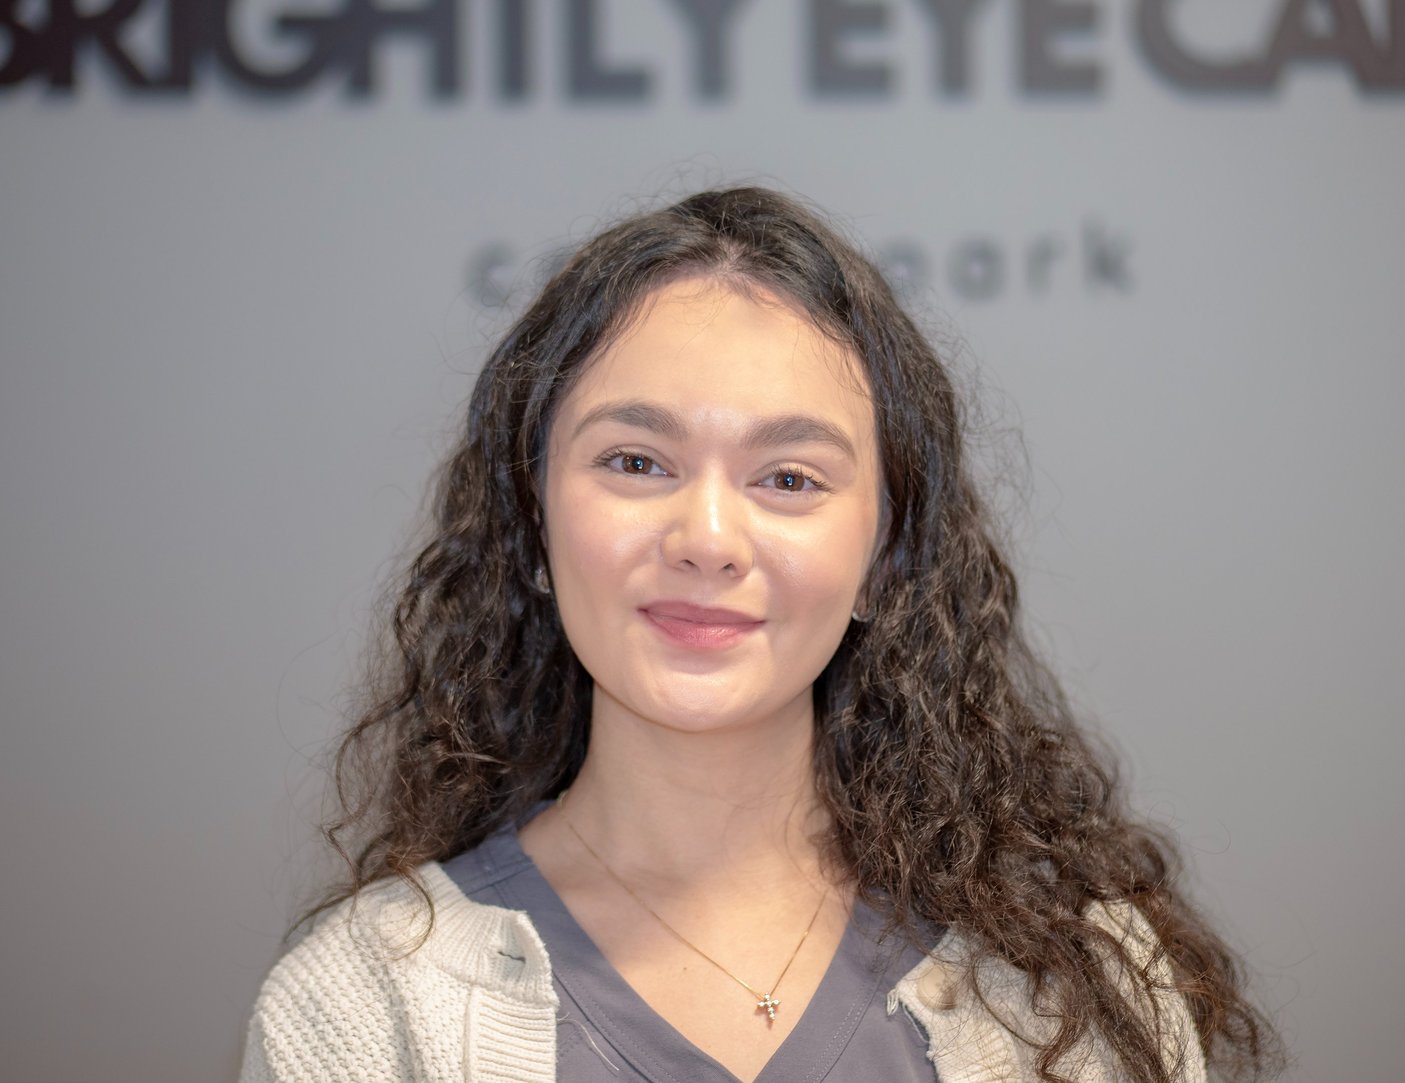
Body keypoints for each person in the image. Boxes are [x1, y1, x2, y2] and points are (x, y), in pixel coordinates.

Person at [240, 187, 1280, 1083]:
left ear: (885, 556)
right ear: (533, 521)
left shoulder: (1075, 993)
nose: (707, 539)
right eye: (636, 462)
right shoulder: (362, 1004)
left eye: (789, 477)